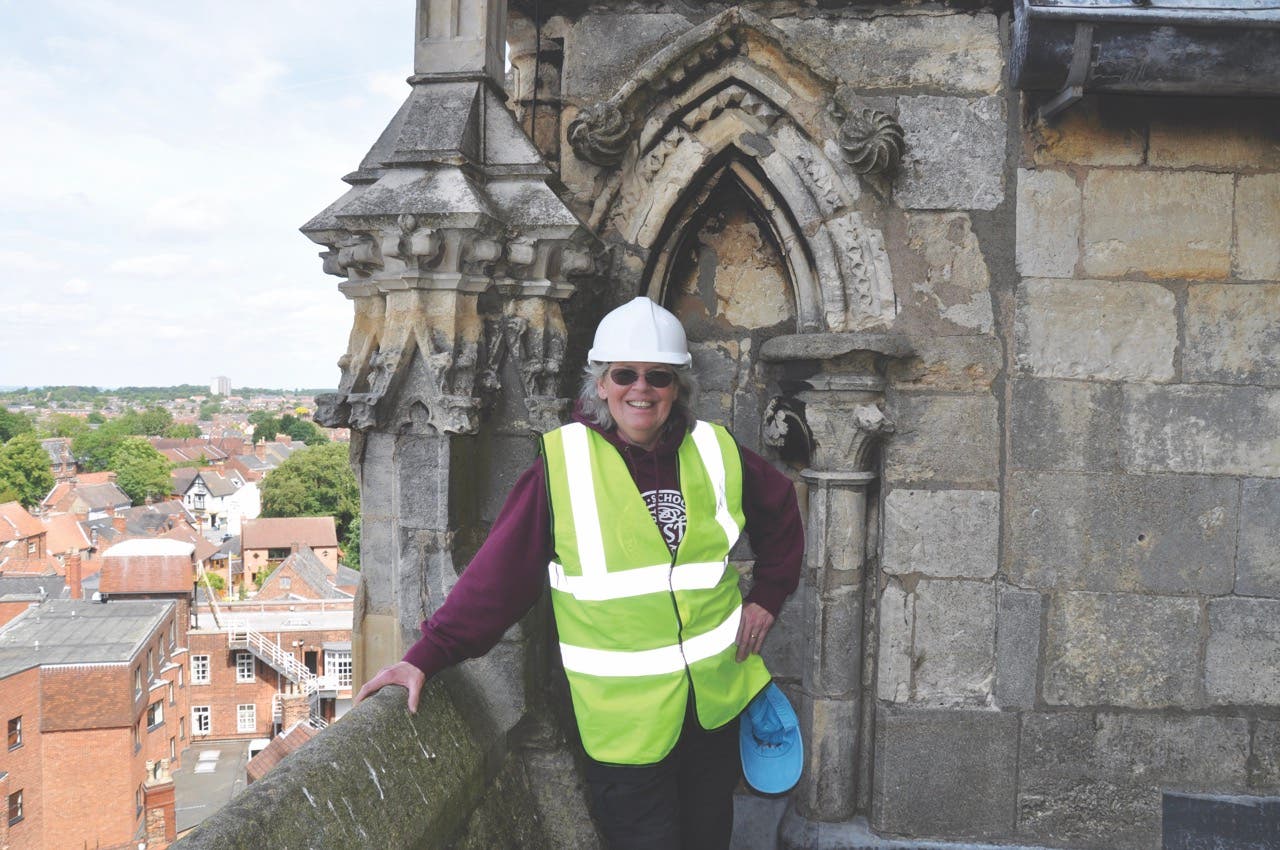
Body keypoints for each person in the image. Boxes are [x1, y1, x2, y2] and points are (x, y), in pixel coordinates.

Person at [356, 296, 804, 850]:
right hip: (623, 726)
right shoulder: (564, 465)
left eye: (658, 376)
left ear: (677, 386)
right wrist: (425, 656)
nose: (641, 389)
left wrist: (769, 595)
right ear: (601, 383)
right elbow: (498, 580)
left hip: (714, 706)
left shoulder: (715, 449)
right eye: (625, 374)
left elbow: (780, 510)